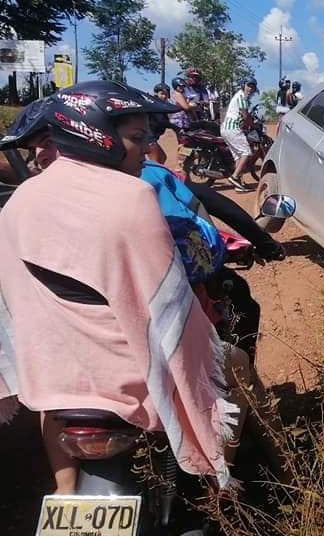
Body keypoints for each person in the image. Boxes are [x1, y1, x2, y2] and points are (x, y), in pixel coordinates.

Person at [0, 81, 249, 494]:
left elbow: (13, 303)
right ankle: (225, 482)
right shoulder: (132, 195)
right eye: (137, 138)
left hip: (48, 372)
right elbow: (169, 307)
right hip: (127, 377)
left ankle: (64, 493)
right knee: (235, 365)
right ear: (97, 135)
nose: (148, 148)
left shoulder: (19, 202)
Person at [221, 77, 258, 192]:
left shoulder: (239, 95)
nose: (250, 89)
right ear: (243, 85)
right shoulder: (242, 96)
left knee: (238, 156)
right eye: (249, 85)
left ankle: (239, 185)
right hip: (233, 128)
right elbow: (245, 115)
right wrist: (252, 125)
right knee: (246, 152)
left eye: (252, 86)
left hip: (226, 129)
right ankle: (234, 177)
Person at [147, 83, 172, 164]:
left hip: (152, 137)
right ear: (156, 93)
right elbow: (161, 121)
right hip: (147, 137)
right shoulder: (154, 105)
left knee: (162, 158)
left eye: (166, 94)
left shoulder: (161, 106)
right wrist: (176, 127)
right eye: (162, 94)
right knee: (156, 161)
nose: (164, 96)